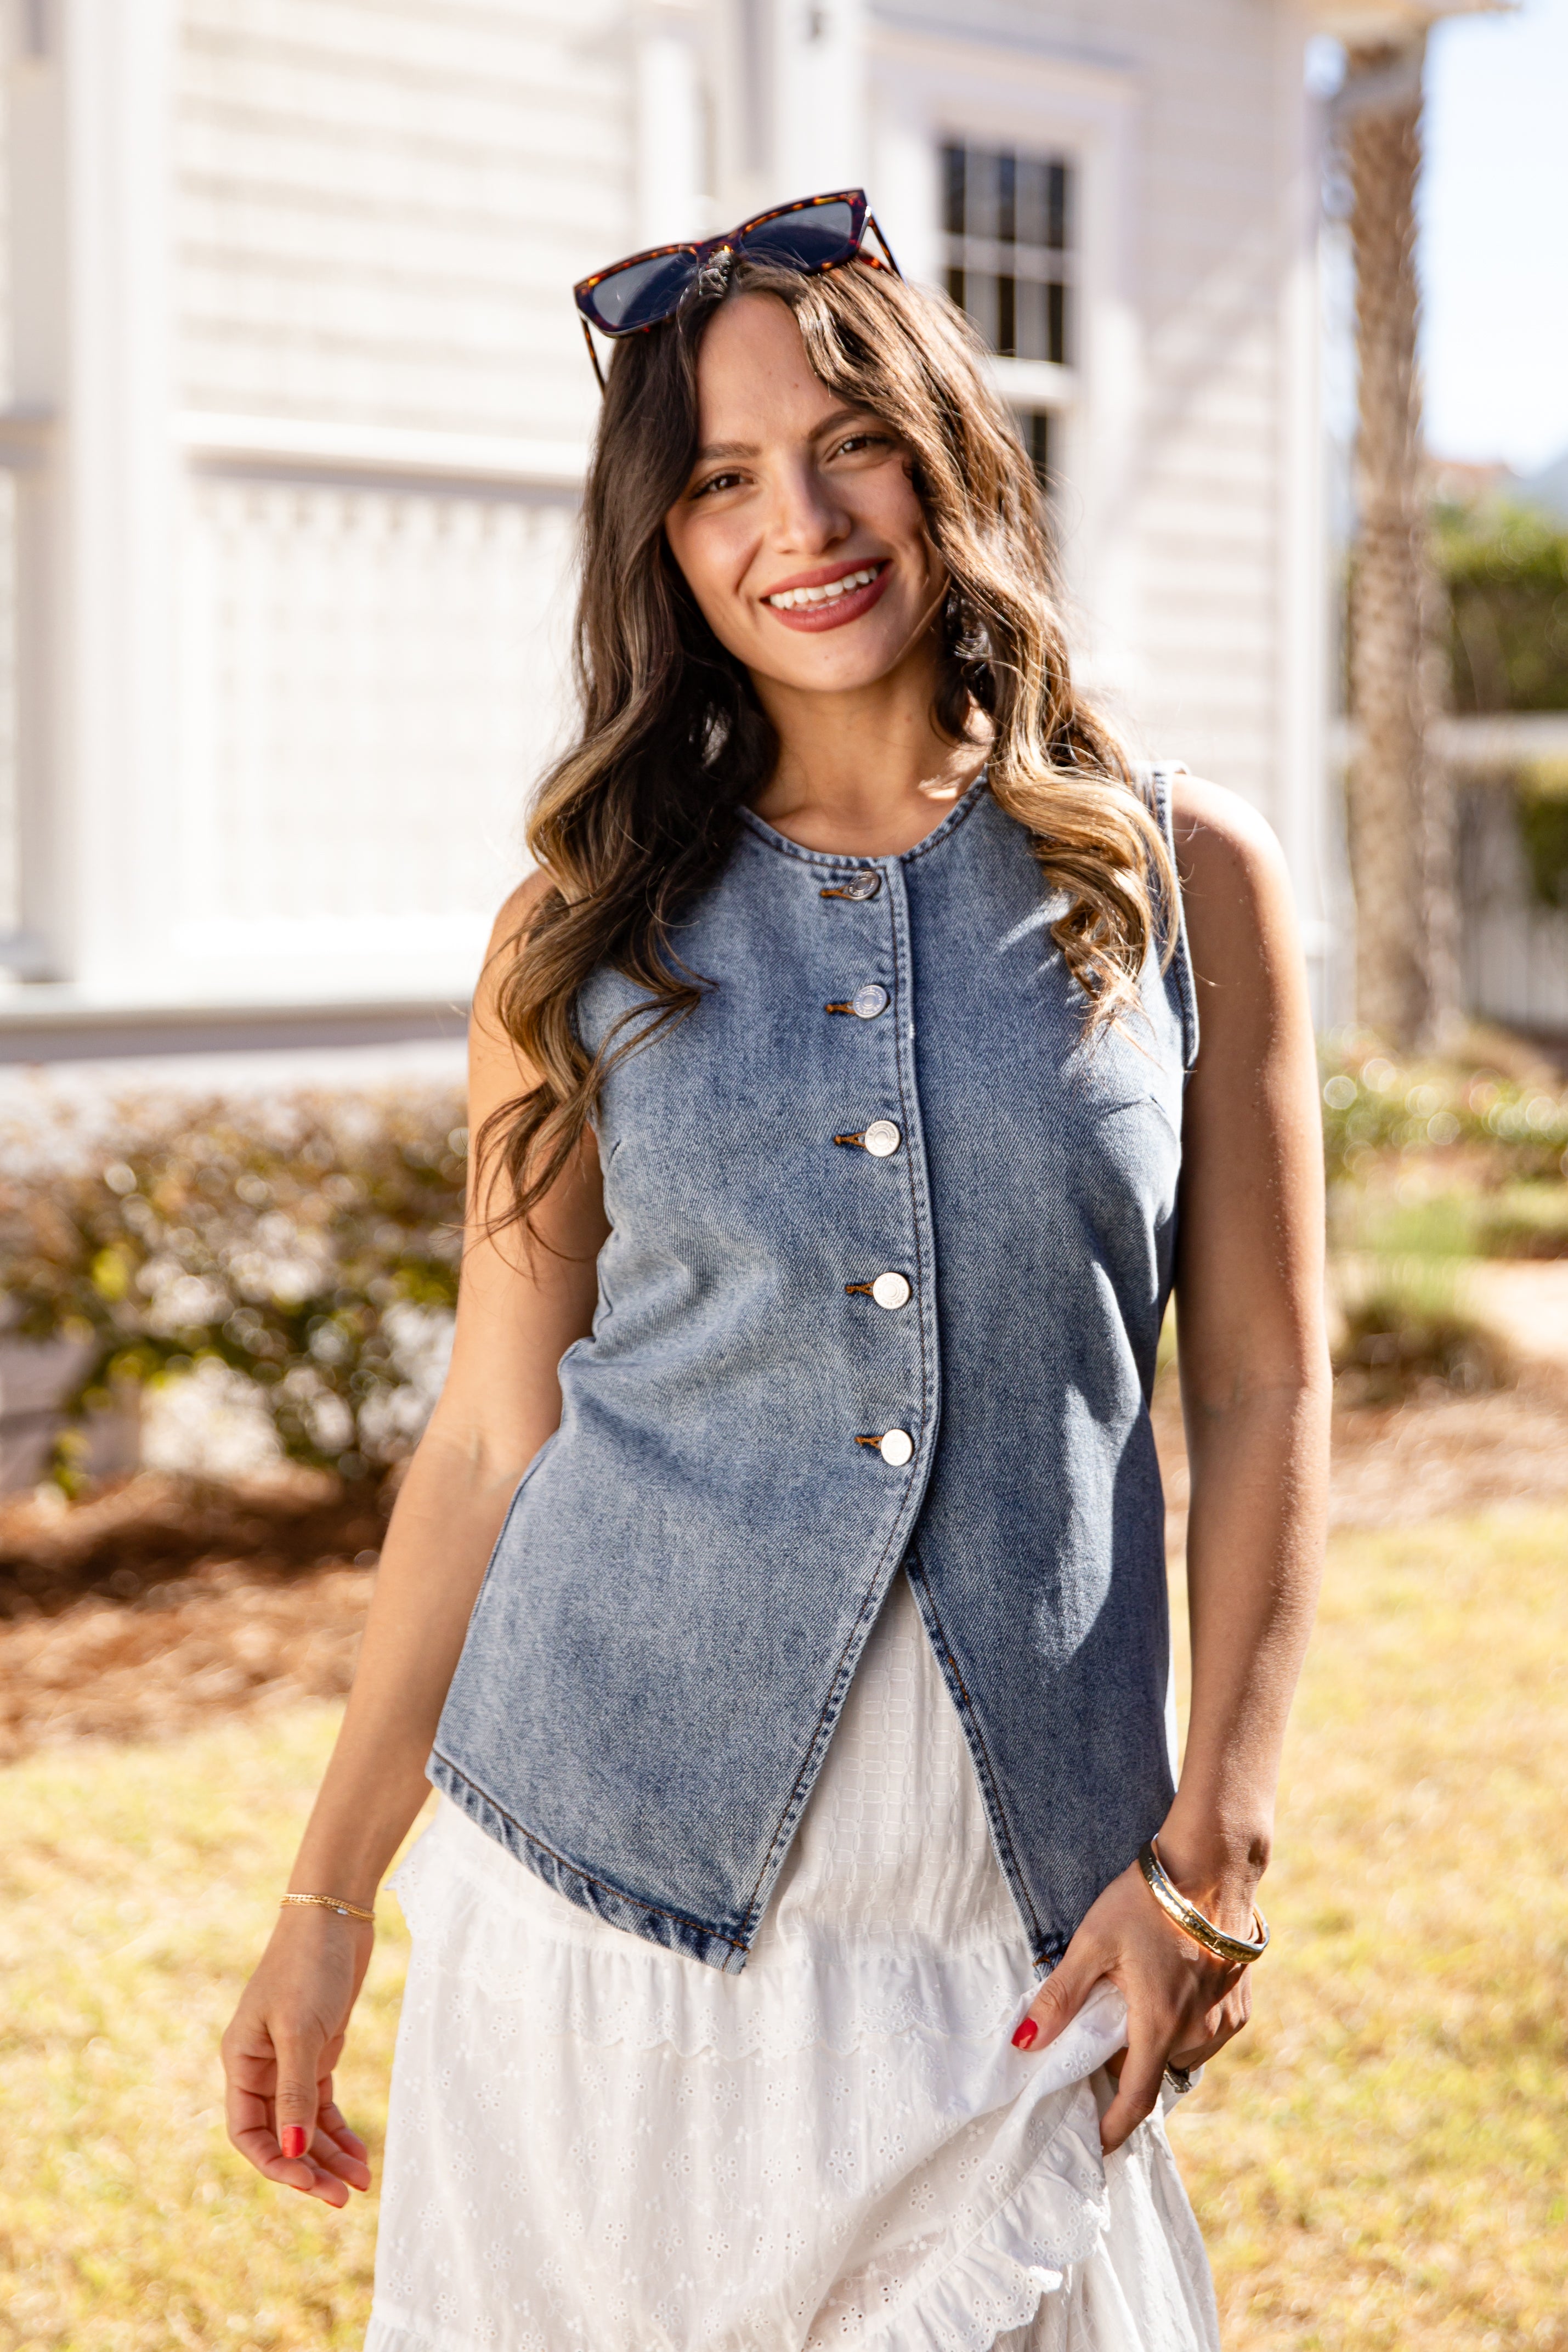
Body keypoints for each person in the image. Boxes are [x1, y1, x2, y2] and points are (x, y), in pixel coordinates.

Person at [222, 190, 1329, 2352]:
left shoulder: (1183, 875)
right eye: (717, 478)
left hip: (1014, 1907)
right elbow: (487, 1434)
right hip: (597, 1914)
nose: (797, 520)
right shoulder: (579, 923)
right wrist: (327, 1897)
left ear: (947, 461)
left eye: (849, 443)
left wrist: (1217, 1852)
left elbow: (1267, 1394)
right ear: (657, 540)